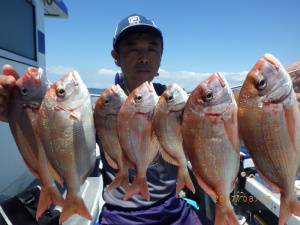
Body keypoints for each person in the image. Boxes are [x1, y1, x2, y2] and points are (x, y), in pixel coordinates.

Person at [0, 14, 204, 225]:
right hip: (120, 214)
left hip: (172, 208)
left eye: (152, 48)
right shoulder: (102, 108)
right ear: (116, 56)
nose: (144, 56)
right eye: (133, 47)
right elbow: (58, 130)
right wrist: (21, 115)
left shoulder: (176, 102)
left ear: (161, 55)